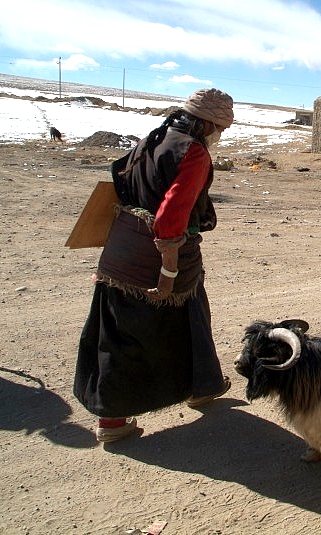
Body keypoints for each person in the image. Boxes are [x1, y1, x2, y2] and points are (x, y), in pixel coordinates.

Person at [74, 88, 236, 443]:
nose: (220, 136)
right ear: (209, 125)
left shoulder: (154, 138)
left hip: (122, 251)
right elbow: (172, 214)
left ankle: (121, 418)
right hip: (164, 254)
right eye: (220, 129)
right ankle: (195, 390)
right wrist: (168, 268)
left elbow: (120, 181)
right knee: (185, 317)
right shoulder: (194, 153)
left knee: (121, 331)